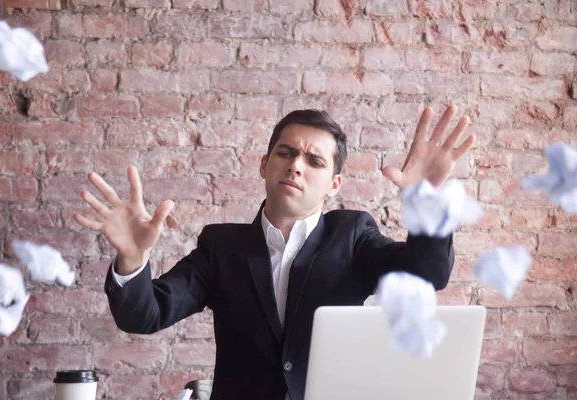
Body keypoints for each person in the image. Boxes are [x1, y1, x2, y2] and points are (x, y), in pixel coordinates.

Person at [75, 105, 475, 400]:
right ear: (265, 164)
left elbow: (427, 275)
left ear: (334, 185)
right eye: (285, 153)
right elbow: (145, 314)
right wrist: (131, 258)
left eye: (314, 160)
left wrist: (427, 207)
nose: (296, 166)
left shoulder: (353, 235)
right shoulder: (221, 246)